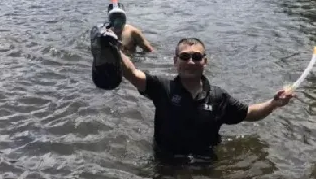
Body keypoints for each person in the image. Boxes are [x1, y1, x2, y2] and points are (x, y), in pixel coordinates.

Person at [115, 36, 294, 161]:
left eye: (197, 57)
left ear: (205, 62)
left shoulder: (218, 97)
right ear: (175, 61)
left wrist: (274, 103)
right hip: (166, 163)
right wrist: (113, 48)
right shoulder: (162, 88)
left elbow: (250, 114)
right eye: (185, 57)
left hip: (206, 165)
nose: (191, 62)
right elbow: (131, 73)